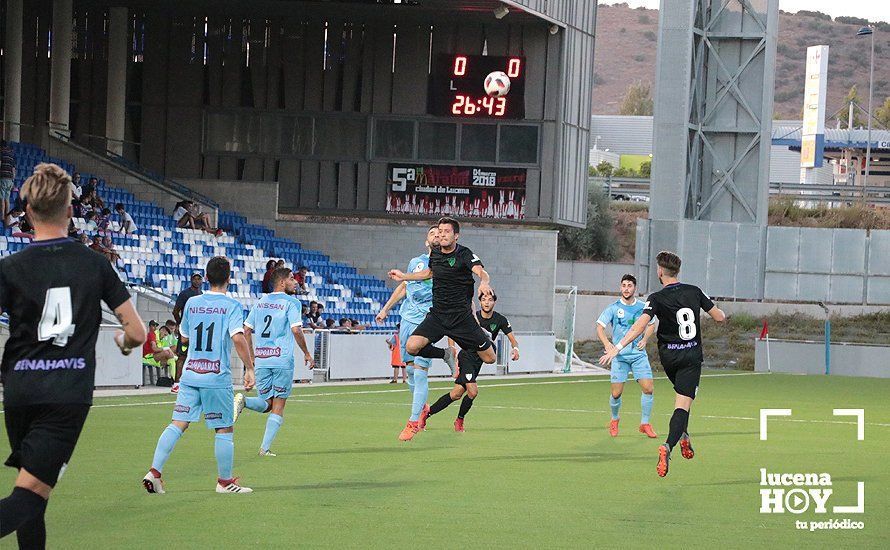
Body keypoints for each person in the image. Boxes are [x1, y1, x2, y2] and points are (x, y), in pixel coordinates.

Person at [0, 163, 146, 546]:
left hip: (19, 391)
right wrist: (126, 344)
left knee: (34, 489)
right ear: (70, 212)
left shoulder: (10, 267)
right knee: (31, 493)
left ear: (29, 213)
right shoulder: (94, 263)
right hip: (65, 394)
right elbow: (137, 331)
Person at [599, 251, 726, 478]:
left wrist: (617, 347)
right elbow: (719, 317)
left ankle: (685, 435)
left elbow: (640, 325)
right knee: (682, 404)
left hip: (668, 359)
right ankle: (668, 446)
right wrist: (717, 311)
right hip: (690, 357)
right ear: (677, 271)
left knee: (683, 397)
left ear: (660, 272)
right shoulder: (694, 291)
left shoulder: (655, 298)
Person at [142, 256, 255, 494]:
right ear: (229, 278)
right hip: (215, 376)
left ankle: (154, 472)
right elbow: (237, 337)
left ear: (206, 277)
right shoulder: (232, 306)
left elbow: (183, 338)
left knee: (178, 423)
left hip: (191, 374)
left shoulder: (192, 303)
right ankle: (225, 482)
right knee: (224, 428)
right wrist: (250, 368)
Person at [388, 217, 495, 374]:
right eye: (440, 231)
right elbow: (429, 272)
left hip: (461, 318)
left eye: (447, 231)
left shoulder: (464, 253)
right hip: (438, 316)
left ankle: (477, 340)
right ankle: (446, 354)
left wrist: (484, 282)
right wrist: (404, 276)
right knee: (411, 347)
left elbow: (480, 271)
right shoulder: (436, 253)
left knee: (490, 358)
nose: (442, 235)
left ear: (456, 235)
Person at [234, 267, 315, 456]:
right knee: (278, 405)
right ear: (281, 282)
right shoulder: (292, 302)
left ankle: (244, 401)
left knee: (266, 403)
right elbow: (296, 330)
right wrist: (307, 353)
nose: (296, 283)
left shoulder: (261, 302)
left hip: (262, 360)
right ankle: (264, 448)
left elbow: (246, 330)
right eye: (292, 279)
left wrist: (252, 357)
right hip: (281, 359)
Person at [423, 291, 520, 432]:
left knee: (456, 394)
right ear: (479, 302)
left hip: (478, 360)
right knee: (473, 392)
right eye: (484, 299)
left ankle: (427, 413)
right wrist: (452, 348)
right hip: (467, 356)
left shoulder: (500, 320)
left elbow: (512, 338)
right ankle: (459, 421)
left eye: (490, 299)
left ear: (494, 302)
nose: (487, 302)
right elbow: (451, 330)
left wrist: (515, 348)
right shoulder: (471, 316)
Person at [376, 226, 438, 441]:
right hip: (407, 320)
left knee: (420, 371)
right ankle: (422, 407)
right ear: (426, 240)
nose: (436, 235)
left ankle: (413, 421)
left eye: (440, 233)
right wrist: (386, 309)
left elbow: (426, 274)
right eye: (432, 233)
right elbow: (404, 286)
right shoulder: (415, 261)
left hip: (428, 321)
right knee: (410, 371)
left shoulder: (445, 263)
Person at [596, 274, 658, 438]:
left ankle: (645, 423)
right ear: (620, 287)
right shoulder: (614, 308)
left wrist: (645, 339)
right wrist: (607, 344)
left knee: (648, 388)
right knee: (616, 393)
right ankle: (614, 419)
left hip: (638, 355)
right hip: (619, 356)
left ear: (634, 288)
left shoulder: (643, 307)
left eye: (629, 285)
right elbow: (600, 327)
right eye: (623, 285)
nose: (626, 288)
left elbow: (651, 324)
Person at [171, 273, 204, 393]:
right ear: (191, 280)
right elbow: (175, 311)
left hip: (197, 330)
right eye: (194, 278)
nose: (196, 281)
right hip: (186, 331)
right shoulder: (185, 294)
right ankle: (176, 383)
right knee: (182, 356)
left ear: (202, 281)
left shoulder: (201, 295)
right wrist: (180, 324)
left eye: (199, 278)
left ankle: (191, 382)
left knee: (195, 355)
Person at [0, 140, 16, 223]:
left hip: (3, 178)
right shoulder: (11, 156)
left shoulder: (1, 154)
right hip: (10, 180)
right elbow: (13, 170)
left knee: (2, 198)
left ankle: (2, 216)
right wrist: (13, 180)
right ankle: (7, 216)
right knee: (7, 199)